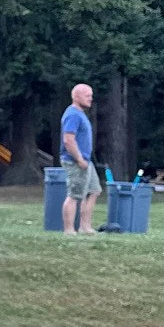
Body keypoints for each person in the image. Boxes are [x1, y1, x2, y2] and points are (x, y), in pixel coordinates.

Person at [59, 84, 99, 234]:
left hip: (86, 161)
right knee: (74, 195)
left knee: (94, 191)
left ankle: (85, 227)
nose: (91, 98)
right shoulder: (73, 114)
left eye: (91, 95)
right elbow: (68, 139)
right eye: (87, 95)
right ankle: (69, 230)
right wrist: (79, 159)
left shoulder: (81, 114)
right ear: (76, 97)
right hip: (76, 161)